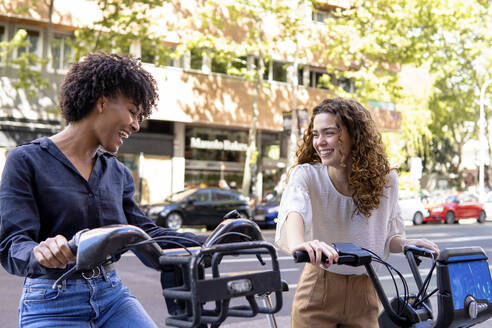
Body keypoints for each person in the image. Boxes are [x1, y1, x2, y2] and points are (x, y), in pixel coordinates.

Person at [0, 53, 204, 328]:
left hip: (112, 296)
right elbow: (13, 244)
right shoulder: (26, 160)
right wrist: (40, 251)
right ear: (102, 102)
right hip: (52, 300)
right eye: (133, 111)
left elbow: (147, 235)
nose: (136, 124)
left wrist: (211, 239)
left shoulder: (117, 172)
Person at [275, 98, 440, 328]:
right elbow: (294, 210)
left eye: (329, 133)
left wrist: (407, 244)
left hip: (367, 290)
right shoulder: (307, 175)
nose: (319, 142)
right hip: (318, 288)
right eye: (315, 134)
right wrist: (299, 244)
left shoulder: (387, 181)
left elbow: (388, 237)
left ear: (355, 135)